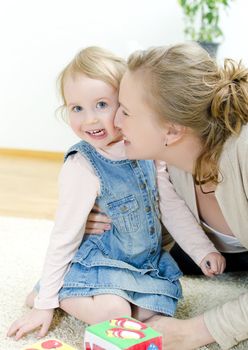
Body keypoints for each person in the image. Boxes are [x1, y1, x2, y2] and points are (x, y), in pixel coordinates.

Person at [7, 46, 183, 340]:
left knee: (158, 313)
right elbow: (64, 235)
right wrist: (45, 304)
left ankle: (72, 292)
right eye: (77, 108)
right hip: (99, 262)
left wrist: (202, 250)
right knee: (115, 315)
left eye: (102, 104)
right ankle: (56, 292)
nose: (89, 119)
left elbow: (172, 206)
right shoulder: (83, 165)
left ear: (124, 104)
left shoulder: (145, 150)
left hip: (140, 263)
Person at [86, 42, 248, 349]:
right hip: (222, 252)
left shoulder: (244, 154)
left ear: (172, 131)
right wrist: (98, 222)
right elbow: (151, 230)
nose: (115, 121)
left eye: (127, 112)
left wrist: (196, 331)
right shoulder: (165, 163)